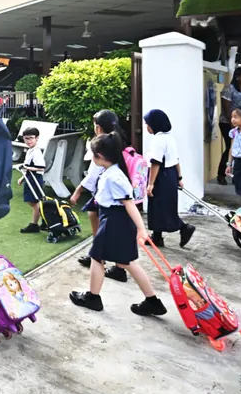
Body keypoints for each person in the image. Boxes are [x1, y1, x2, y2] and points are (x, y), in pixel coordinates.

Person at [69, 134, 167, 316]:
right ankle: (152, 301)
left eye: (92, 154)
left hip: (113, 222)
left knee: (97, 258)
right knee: (126, 261)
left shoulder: (114, 177)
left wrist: (141, 229)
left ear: (100, 156)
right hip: (116, 221)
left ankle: (93, 298)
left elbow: (129, 204)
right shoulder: (113, 172)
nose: (91, 158)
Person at [73, 109, 131, 280]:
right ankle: (106, 259)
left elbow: (92, 173)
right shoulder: (118, 140)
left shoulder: (102, 145)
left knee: (106, 226)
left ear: (98, 128)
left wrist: (78, 191)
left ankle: (99, 255)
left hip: (108, 193)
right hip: (114, 192)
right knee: (93, 214)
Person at [143, 109, 194, 248]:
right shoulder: (170, 138)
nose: (146, 126)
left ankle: (184, 227)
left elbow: (156, 162)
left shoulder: (157, 140)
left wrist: (150, 184)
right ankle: (157, 237)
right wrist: (179, 177)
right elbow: (176, 159)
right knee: (162, 206)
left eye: (147, 124)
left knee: (161, 207)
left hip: (161, 175)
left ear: (155, 124)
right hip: (170, 174)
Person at [217, 67, 241, 184]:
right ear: (237, 76)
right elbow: (226, 108)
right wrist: (234, 125)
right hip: (229, 123)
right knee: (231, 147)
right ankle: (221, 173)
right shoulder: (229, 89)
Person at [17, 127, 45, 233]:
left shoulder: (36, 152)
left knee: (34, 202)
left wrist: (27, 168)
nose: (28, 141)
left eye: (31, 138)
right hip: (30, 177)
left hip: (35, 179)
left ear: (37, 138)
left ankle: (34, 224)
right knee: (32, 201)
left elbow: (41, 167)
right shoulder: (30, 151)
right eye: (26, 138)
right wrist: (22, 177)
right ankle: (42, 222)